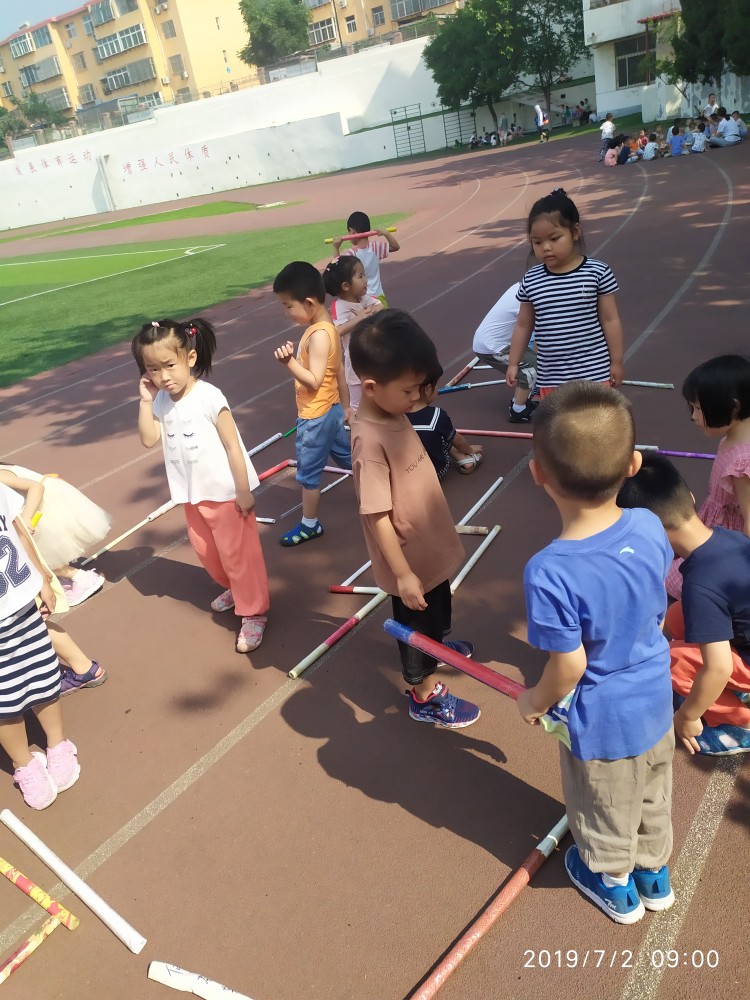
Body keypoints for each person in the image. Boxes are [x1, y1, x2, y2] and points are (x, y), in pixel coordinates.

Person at [517, 382, 675, 924]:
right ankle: (654, 871)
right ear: (633, 465)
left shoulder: (550, 571)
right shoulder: (650, 524)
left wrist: (534, 701)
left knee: (602, 803)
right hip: (656, 697)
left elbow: (570, 664)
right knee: (653, 788)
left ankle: (613, 883)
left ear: (539, 474)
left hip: (604, 718)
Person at [349, 310, 480, 729]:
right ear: (371, 387)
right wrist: (403, 574)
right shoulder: (369, 442)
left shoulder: (394, 411)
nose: (418, 398)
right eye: (409, 390)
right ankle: (424, 695)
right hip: (409, 562)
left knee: (438, 608)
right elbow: (377, 516)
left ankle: (437, 647)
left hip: (429, 548)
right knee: (416, 628)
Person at [133, 318, 270, 654]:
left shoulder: (209, 396)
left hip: (225, 495)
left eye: (169, 365)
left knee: (239, 556)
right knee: (208, 553)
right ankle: (236, 589)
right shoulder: (161, 401)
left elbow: (233, 445)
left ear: (190, 358)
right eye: (153, 369)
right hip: (191, 495)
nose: (163, 376)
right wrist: (145, 401)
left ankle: (254, 612)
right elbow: (149, 439)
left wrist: (243, 490)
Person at [618, 455, 750, 756]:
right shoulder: (730, 538)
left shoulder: (701, 585)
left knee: (670, 661)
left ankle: (742, 724)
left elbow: (718, 667)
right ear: (689, 497)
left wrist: (688, 716)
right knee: (679, 617)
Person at [0, 482, 80, 810]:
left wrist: (43, 578)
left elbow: (18, 531)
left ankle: (58, 744)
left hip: (20, 603)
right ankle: (24, 763)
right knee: (3, 698)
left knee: (43, 675)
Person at [506, 188, 624, 398]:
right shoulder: (532, 279)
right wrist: (514, 363)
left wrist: (616, 361)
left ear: (575, 232)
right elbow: (523, 324)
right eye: (537, 242)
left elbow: (610, 319)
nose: (546, 247)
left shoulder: (597, 272)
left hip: (595, 372)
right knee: (559, 420)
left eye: (554, 238)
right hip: (552, 377)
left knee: (596, 419)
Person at [273, 262, 351, 546]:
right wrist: (346, 407)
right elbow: (338, 371)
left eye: (288, 306)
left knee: (308, 475)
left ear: (308, 302)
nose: (286, 312)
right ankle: (387, 486)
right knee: (351, 458)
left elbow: (315, 381)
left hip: (315, 417)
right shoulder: (328, 328)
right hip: (332, 410)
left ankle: (310, 524)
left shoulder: (318, 335)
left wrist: (289, 362)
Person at [665, 355, 750, 599]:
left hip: (728, 545)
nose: (693, 416)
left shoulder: (742, 461)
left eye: (700, 409)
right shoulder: (732, 438)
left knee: (680, 580)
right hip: (718, 529)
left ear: (733, 406)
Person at [0, 465, 110, 607]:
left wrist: (26, 518)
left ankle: (81, 578)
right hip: (41, 504)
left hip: (40, 508)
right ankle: (70, 577)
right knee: (40, 552)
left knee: (37, 554)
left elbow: (36, 487)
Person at [472, 255, 539, 423]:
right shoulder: (529, 297)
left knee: (533, 364)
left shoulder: (520, 287)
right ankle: (518, 410)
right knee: (532, 367)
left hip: (494, 342)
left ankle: (518, 401)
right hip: (491, 346)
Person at [323, 255, 382, 413]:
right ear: (346, 286)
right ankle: (356, 422)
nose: (366, 280)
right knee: (357, 401)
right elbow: (338, 330)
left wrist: (374, 310)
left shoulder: (362, 298)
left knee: (378, 390)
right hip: (355, 361)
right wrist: (360, 318)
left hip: (372, 354)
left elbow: (379, 305)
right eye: (360, 276)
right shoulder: (340, 306)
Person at [406, 374, 483, 478]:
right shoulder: (436, 416)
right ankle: (464, 458)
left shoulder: (396, 414)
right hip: (435, 474)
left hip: (406, 477)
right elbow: (458, 440)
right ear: (428, 389)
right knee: (442, 433)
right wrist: (469, 449)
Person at [332, 211, 400, 306]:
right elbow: (395, 247)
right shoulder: (376, 247)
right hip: (379, 296)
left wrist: (336, 248)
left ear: (352, 231)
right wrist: (386, 233)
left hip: (363, 300)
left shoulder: (351, 254)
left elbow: (337, 268)